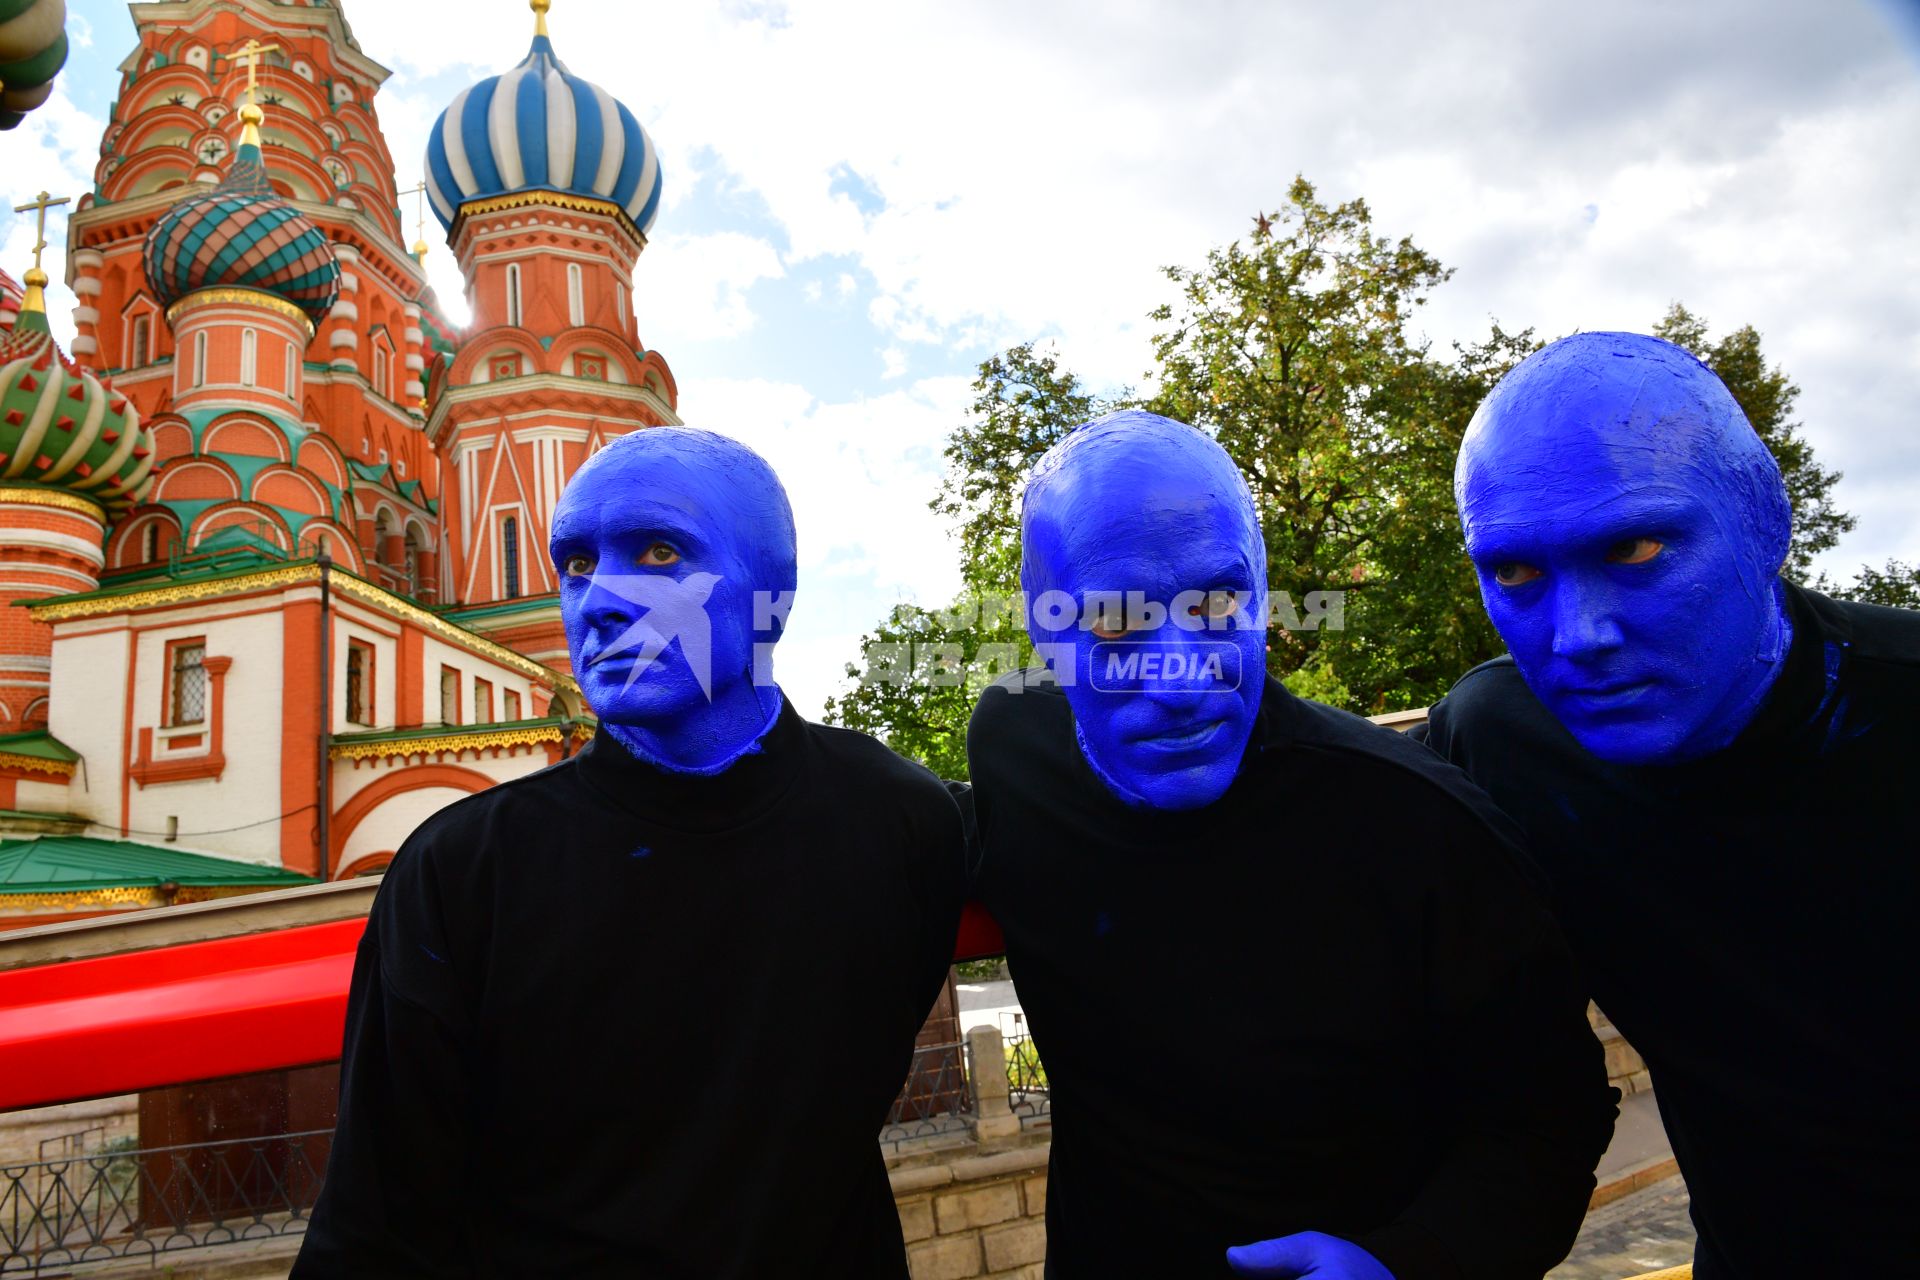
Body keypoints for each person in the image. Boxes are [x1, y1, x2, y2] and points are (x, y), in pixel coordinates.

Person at [293, 428, 968, 1279]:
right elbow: (377, 1227)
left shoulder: (899, 819)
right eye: (575, 562)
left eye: (658, 551)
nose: (601, 598)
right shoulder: (464, 871)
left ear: (773, 592)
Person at [964, 410, 1617, 1280]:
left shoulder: (1421, 824)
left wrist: (1406, 1264)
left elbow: (1551, 1116)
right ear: (1044, 628)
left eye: (1217, 605)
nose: (1180, 681)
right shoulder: (1015, 746)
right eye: (1115, 626)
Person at [1416, 331, 1920, 1278]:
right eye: (1516, 571)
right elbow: (1508, 1085)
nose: (1580, 637)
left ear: (1766, 519)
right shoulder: (1500, 744)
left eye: (1637, 548)